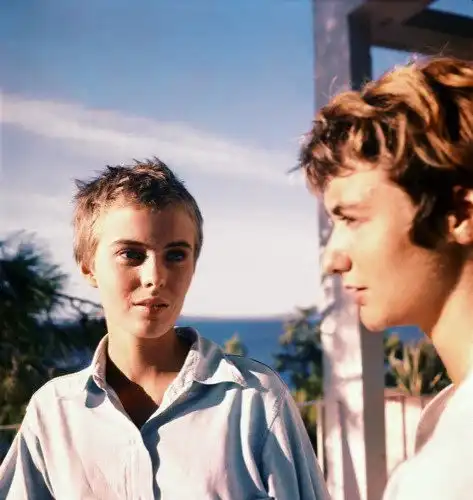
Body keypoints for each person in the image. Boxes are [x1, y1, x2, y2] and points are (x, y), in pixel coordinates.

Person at [0, 158, 329, 499]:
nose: (155, 277)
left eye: (175, 255)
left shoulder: (255, 399)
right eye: (131, 254)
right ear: (88, 268)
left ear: (193, 265)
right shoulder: (54, 412)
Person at [298, 55, 473, 499]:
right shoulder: (449, 424)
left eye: (352, 218)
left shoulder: (448, 473)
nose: (332, 260)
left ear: (460, 214)